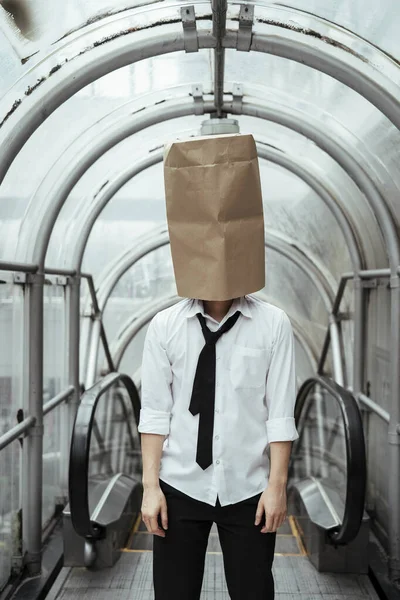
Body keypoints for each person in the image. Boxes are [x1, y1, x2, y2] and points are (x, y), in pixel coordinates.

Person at [138, 293, 299, 599]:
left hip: (250, 488)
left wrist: (277, 487)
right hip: (179, 485)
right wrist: (150, 488)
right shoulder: (165, 324)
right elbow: (155, 414)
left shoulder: (273, 323)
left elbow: (280, 414)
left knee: (254, 593)